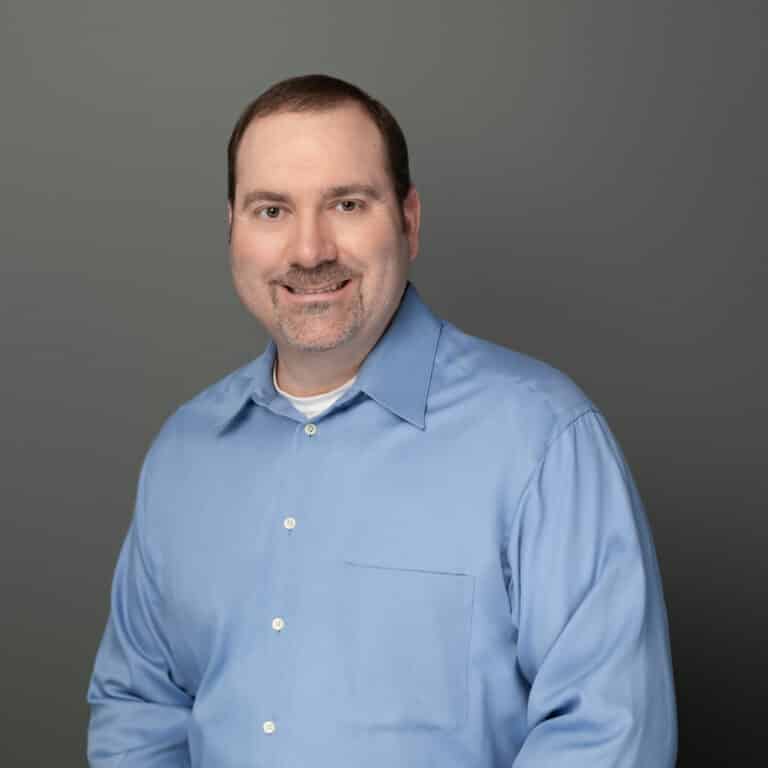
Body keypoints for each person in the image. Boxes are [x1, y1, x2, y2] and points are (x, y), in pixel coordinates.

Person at [86, 74, 677, 767]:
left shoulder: (543, 440)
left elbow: (607, 738)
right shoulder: (183, 454)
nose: (309, 252)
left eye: (346, 203)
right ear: (233, 231)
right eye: (271, 211)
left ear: (409, 219)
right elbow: (138, 711)